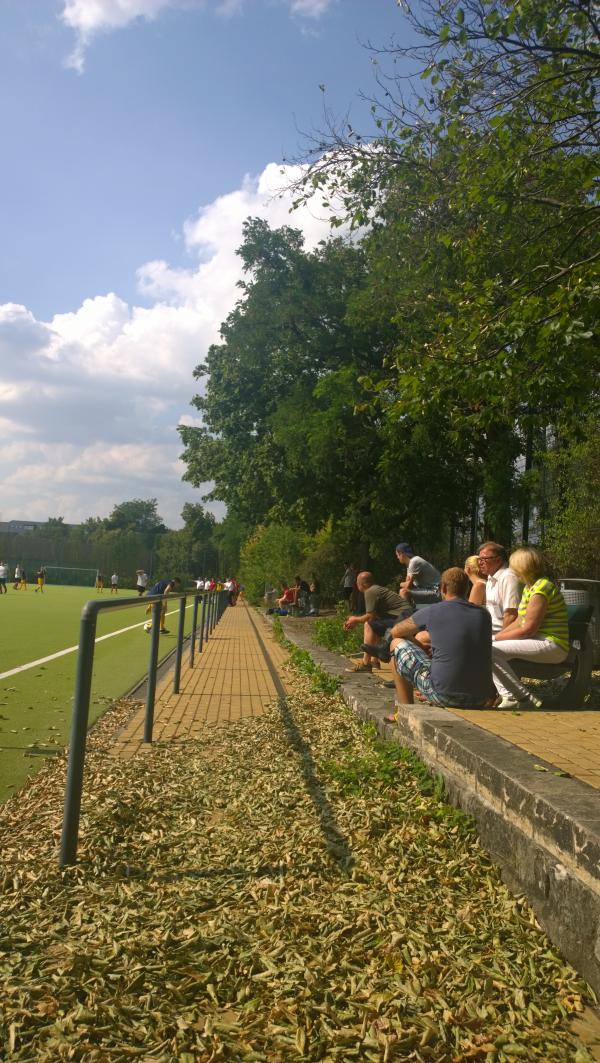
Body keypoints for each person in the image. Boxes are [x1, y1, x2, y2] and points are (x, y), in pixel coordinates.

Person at [369, 567, 497, 715]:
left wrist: (419, 646)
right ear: (467, 588)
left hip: (445, 695)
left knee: (396, 643)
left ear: (443, 588)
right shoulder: (484, 614)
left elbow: (396, 631)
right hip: (482, 698)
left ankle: (404, 711)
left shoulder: (433, 611)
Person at [491, 547, 568, 709]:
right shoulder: (530, 587)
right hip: (540, 641)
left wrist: (496, 639)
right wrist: (495, 637)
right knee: (488, 648)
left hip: (552, 645)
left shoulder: (542, 588)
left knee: (490, 651)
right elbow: (519, 621)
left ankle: (519, 697)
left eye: (513, 566)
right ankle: (512, 696)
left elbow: (528, 629)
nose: (511, 570)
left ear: (522, 567)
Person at [343, 571, 412, 672]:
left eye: (356, 583)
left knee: (369, 625)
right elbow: (374, 618)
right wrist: (355, 620)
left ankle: (366, 663)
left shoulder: (370, 591)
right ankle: (374, 661)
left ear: (361, 584)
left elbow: (369, 617)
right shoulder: (376, 589)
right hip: (406, 617)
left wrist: (355, 619)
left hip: (403, 618)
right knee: (375, 625)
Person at [477, 541, 521, 633]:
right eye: (479, 559)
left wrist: (499, 638)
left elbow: (511, 615)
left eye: (484, 559)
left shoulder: (509, 577)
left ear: (499, 560)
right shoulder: (490, 578)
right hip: (490, 631)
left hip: (504, 632)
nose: (480, 563)